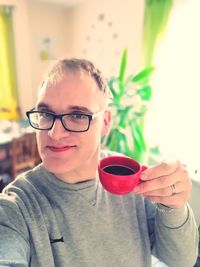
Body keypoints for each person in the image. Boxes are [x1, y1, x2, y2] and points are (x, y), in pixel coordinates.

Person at [0, 58, 198, 267]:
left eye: (77, 115)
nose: (54, 133)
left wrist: (173, 205)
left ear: (105, 122)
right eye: (46, 114)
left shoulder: (129, 178)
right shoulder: (17, 205)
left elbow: (181, 261)